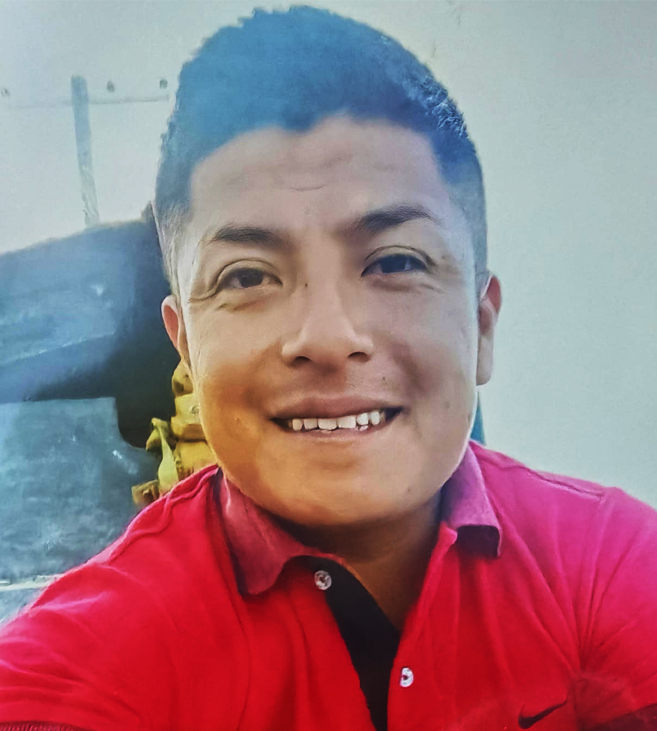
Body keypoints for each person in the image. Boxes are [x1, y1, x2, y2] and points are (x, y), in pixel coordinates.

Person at [1, 6, 656, 730]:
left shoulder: (609, 564)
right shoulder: (85, 663)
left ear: (480, 325)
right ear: (184, 347)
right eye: (247, 276)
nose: (326, 337)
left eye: (396, 262)